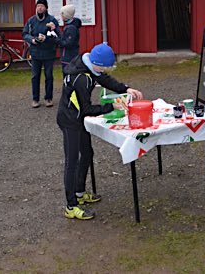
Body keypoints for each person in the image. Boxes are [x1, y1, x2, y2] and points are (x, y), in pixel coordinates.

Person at [57, 42, 143, 220]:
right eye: (106, 67)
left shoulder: (88, 65)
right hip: (70, 120)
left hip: (78, 118)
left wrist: (126, 88)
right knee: (72, 161)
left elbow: (103, 79)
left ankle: (80, 193)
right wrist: (112, 106)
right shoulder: (82, 78)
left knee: (87, 154)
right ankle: (71, 206)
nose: (107, 71)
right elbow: (87, 108)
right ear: (98, 64)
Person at [23, 0, 59, 108]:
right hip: (35, 53)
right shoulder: (31, 21)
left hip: (49, 53)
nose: (40, 8)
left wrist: (47, 38)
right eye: (38, 6)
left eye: (42, 6)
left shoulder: (52, 20)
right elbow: (25, 34)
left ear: (46, 8)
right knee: (35, 77)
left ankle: (48, 99)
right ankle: (35, 99)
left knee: (49, 76)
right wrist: (33, 40)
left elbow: (58, 35)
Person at [53, 4, 82, 76]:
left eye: (62, 14)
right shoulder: (69, 26)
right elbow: (64, 38)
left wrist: (55, 39)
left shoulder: (71, 28)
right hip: (68, 57)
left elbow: (67, 43)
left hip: (69, 58)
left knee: (68, 78)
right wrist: (54, 29)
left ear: (66, 15)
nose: (61, 15)